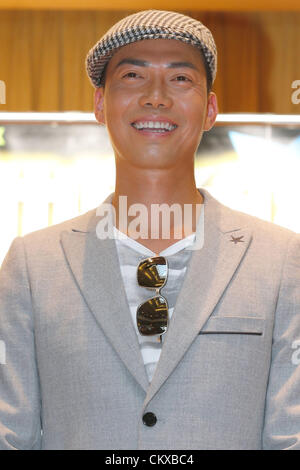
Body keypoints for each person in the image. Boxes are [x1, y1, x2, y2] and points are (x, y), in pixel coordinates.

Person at [0, 9, 299, 450]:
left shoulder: (280, 261)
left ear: (210, 108)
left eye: (180, 79)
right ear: (100, 104)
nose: (156, 97)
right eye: (133, 76)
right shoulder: (32, 265)